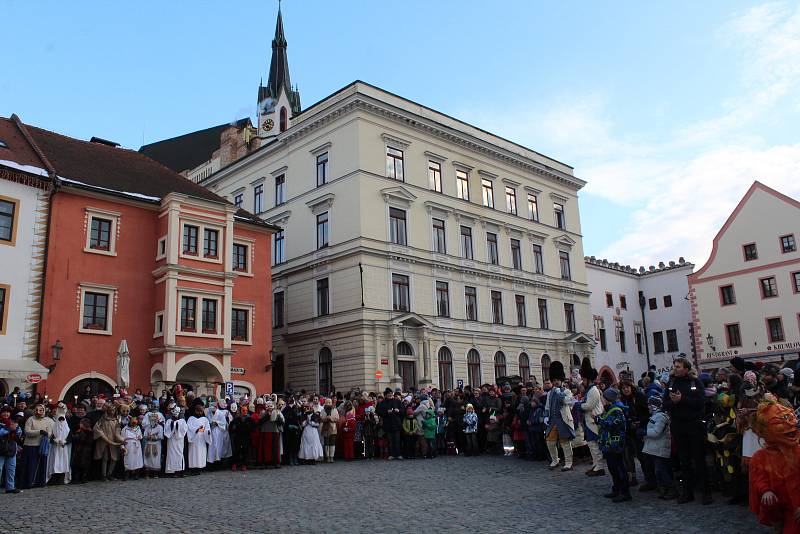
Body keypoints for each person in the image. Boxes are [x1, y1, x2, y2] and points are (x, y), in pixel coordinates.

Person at [662, 357, 712, 505]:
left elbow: (700, 403)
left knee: (699, 459)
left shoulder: (695, 383)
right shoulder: (671, 383)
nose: (675, 369)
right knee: (684, 461)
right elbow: (665, 404)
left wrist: (682, 399)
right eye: (675, 366)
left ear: (686, 368)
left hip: (694, 425)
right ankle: (687, 492)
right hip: (678, 425)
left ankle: (706, 493)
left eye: (678, 366)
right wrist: (673, 402)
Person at [748, 397, 800, 532]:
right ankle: (778, 527)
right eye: (780, 421)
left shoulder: (798, 451)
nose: (790, 424)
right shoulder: (760, 457)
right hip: (783, 512)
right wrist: (766, 490)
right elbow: (758, 479)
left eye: (790, 417)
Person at [597, 388, 630, 503]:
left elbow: (610, 424)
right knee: (612, 467)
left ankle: (624, 492)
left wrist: (597, 418)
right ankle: (616, 488)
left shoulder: (616, 410)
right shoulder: (610, 409)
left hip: (615, 444)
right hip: (609, 443)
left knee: (618, 467)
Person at [641, 395, 675, 500]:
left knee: (661, 470)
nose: (648, 407)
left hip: (660, 448)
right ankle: (664, 489)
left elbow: (656, 432)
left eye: (650, 405)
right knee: (659, 470)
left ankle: (671, 489)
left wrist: (644, 432)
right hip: (656, 448)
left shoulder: (660, 416)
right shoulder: (655, 416)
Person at [544, 361, 575, 471]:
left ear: (561, 380)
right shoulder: (549, 393)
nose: (556, 382)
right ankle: (555, 460)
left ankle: (568, 463)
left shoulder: (567, 391)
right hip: (553, 421)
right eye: (554, 380)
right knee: (550, 442)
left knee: (565, 443)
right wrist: (546, 416)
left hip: (563, 420)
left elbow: (568, 402)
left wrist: (559, 393)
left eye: (557, 380)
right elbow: (547, 406)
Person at [576, 364, 606, 477]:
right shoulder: (589, 390)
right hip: (589, 421)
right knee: (591, 444)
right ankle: (595, 465)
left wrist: (578, 404)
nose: (582, 381)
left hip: (593, 421)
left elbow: (588, 406)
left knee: (594, 445)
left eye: (583, 379)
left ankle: (599, 467)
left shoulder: (593, 390)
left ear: (588, 379)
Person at [21, 403, 54, 488]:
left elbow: (50, 432)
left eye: (41, 410)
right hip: (31, 445)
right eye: (37, 410)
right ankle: (29, 482)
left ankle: (40, 482)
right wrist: (39, 432)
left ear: (44, 411)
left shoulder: (47, 420)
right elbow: (27, 431)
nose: (39, 412)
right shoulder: (30, 419)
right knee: (31, 465)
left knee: (42, 464)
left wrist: (47, 434)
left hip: (42, 445)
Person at [93, 403, 123, 482]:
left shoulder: (116, 421)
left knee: (114, 458)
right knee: (105, 458)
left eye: (113, 410)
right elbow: (97, 429)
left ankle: (110, 474)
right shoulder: (102, 419)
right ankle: (104, 475)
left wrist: (122, 440)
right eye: (110, 410)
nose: (111, 412)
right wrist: (104, 437)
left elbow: (118, 432)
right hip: (104, 442)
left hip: (114, 441)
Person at [47, 402, 71, 484]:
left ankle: (61, 478)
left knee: (63, 463)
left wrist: (65, 441)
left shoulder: (67, 428)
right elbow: (51, 436)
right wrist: (55, 440)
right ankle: (53, 478)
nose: (61, 421)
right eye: (59, 419)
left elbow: (70, 437)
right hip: (55, 448)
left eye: (62, 419)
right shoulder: (54, 426)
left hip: (63, 448)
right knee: (54, 462)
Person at [0, 410, 23, 493]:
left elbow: (19, 434)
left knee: (11, 468)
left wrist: (16, 428)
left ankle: (10, 487)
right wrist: (9, 428)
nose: (6, 414)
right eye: (4, 412)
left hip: (11, 447)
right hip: (1, 448)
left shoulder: (13, 422)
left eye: (7, 412)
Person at [377, 388, 402, 460]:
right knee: (390, 441)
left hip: (396, 424)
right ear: (386, 395)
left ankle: (398, 454)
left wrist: (398, 410)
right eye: (388, 393)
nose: (390, 394)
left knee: (397, 440)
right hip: (388, 424)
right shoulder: (382, 403)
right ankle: (391, 454)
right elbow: (379, 412)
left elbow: (402, 411)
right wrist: (387, 412)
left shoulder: (397, 401)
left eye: (391, 393)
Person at [186, 404, 211, 475]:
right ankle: (193, 468)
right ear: (195, 411)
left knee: (200, 453)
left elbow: (207, 428)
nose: (200, 413)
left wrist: (208, 432)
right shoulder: (191, 418)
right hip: (194, 439)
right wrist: (196, 430)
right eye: (198, 411)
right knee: (193, 453)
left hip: (202, 439)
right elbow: (189, 428)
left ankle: (199, 467)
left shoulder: (205, 419)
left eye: (201, 411)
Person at [164, 405, 187, 477]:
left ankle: (180, 470)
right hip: (171, 440)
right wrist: (171, 431)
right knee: (171, 454)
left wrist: (177, 431)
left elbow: (184, 430)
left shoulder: (182, 421)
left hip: (179, 440)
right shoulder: (169, 421)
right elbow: (166, 430)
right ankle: (171, 470)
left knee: (179, 453)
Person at [70, 418, 94, 484]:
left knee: (81, 465)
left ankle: (81, 478)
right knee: (80, 466)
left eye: (81, 423)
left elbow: (78, 439)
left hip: (83, 451)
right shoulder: (83, 431)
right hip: (82, 451)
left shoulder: (85, 432)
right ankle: (80, 478)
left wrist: (73, 436)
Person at [208, 401, 232, 466]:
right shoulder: (209, 413)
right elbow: (208, 420)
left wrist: (216, 423)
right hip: (212, 432)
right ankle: (211, 462)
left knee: (218, 446)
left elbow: (223, 422)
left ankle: (218, 462)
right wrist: (210, 424)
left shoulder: (220, 413)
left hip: (219, 432)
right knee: (212, 447)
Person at [229, 404, 253, 471]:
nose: (245, 412)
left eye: (246, 410)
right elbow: (231, 428)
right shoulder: (236, 419)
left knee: (245, 451)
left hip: (246, 437)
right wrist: (234, 429)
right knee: (236, 451)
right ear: (240, 411)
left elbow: (252, 428)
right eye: (243, 410)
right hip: (238, 437)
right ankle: (234, 464)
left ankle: (244, 465)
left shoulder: (249, 419)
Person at [142, 412, 163, 478]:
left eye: (154, 420)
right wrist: (148, 437)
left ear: (157, 420)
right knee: (147, 458)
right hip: (148, 444)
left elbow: (161, 436)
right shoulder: (147, 427)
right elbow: (144, 435)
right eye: (151, 420)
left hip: (156, 445)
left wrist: (153, 437)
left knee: (156, 458)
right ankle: (147, 473)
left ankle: (155, 473)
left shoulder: (160, 427)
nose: (153, 421)